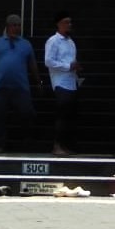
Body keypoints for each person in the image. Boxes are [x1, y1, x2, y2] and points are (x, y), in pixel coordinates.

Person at [0, 13, 38, 154]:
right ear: (7, 26)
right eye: (14, 25)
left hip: (21, 88)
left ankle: (27, 145)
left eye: (19, 25)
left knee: (27, 115)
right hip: (0, 87)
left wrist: (38, 82)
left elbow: (32, 65)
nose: (17, 27)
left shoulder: (26, 44)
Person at [43, 10, 80, 156]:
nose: (69, 25)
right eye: (66, 22)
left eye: (70, 22)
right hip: (60, 82)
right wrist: (67, 66)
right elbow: (48, 61)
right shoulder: (53, 41)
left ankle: (65, 145)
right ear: (58, 24)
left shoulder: (71, 42)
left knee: (69, 116)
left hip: (72, 81)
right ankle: (56, 145)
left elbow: (71, 61)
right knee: (62, 114)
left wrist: (75, 68)